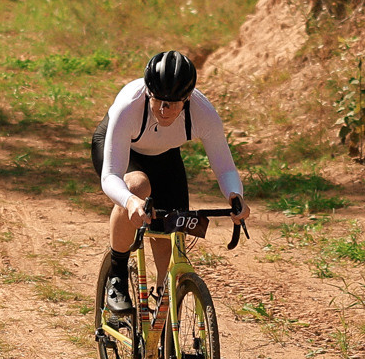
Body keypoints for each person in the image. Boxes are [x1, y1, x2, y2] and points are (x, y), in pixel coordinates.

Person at [95, 50, 250, 320]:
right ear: (148, 93)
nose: (165, 111)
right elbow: (110, 175)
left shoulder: (203, 112)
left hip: (165, 157)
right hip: (124, 153)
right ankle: (117, 277)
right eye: (159, 102)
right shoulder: (128, 106)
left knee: (170, 233)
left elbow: (224, 166)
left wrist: (235, 196)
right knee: (138, 186)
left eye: (174, 104)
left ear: (187, 99)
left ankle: (162, 315)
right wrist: (131, 202)